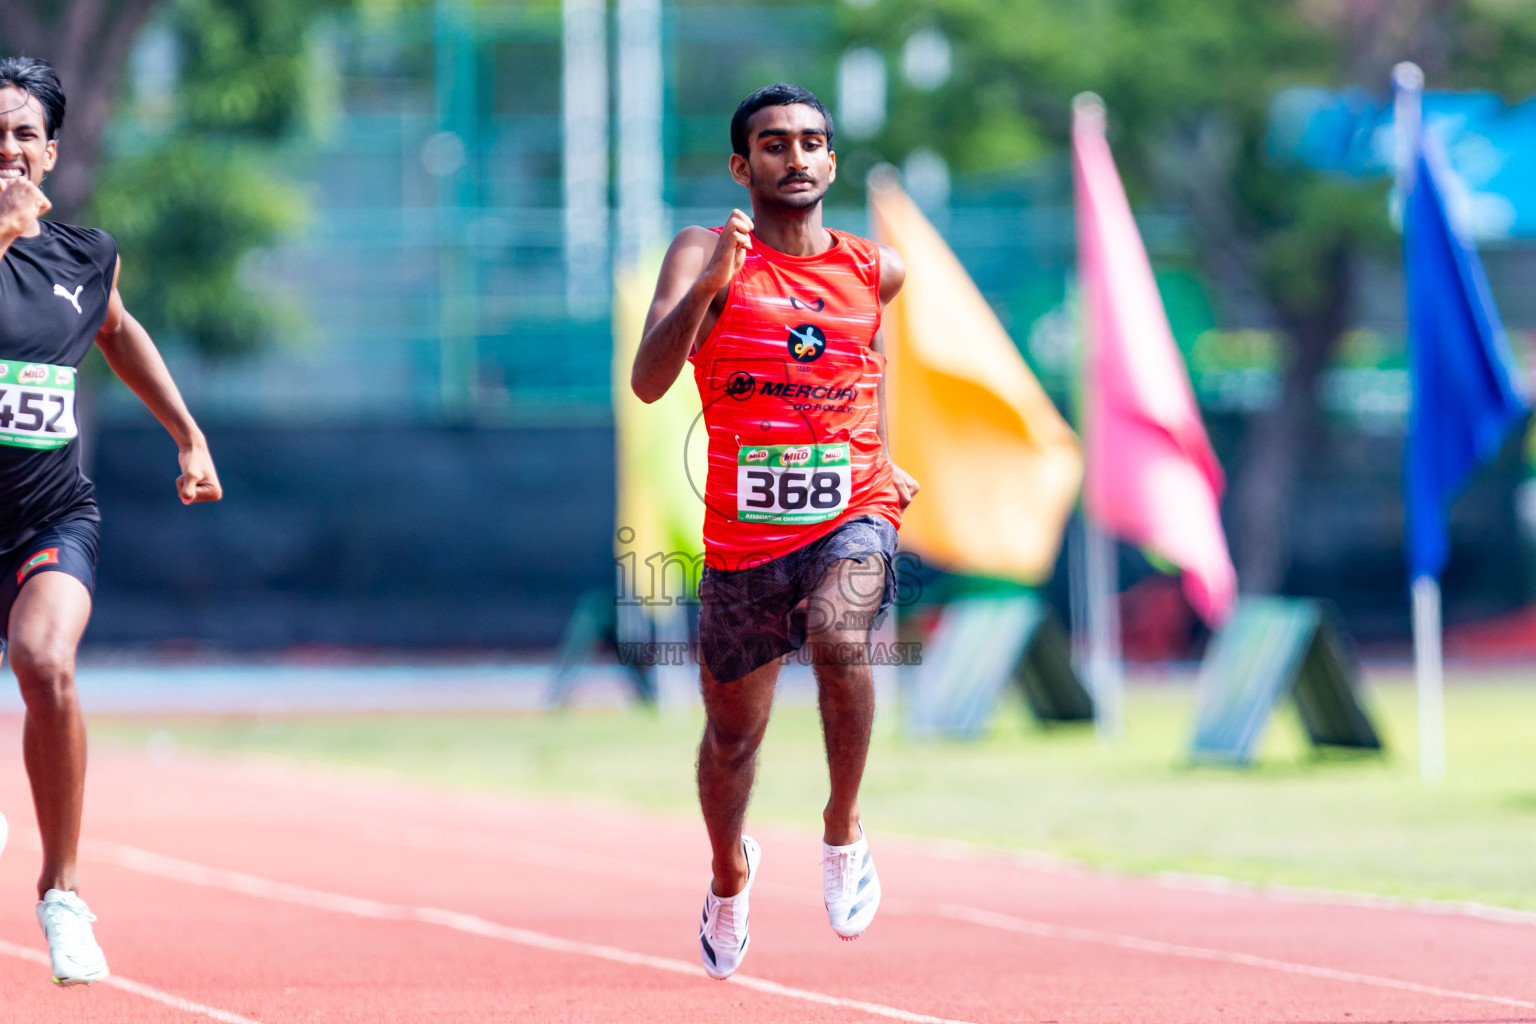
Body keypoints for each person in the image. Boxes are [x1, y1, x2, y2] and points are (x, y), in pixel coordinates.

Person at [631, 82, 917, 979]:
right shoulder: (700, 253)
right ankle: (729, 871)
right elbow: (648, 379)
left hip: (852, 511)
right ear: (741, 164)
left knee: (841, 638)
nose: (795, 158)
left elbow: (863, 371)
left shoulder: (879, 270)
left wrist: (886, 458)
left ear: (831, 161)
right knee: (731, 742)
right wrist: (714, 286)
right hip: (745, 541)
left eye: (811, 143)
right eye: (774, 144)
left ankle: (843, 829)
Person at [0, 56, 223, 986]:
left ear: (50, 152)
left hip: (47, 513)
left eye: (20, 133)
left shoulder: (85, 256)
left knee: (45, 662)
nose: (3, 148)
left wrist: (188, 435)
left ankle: (62, 894)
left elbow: (118, 329)